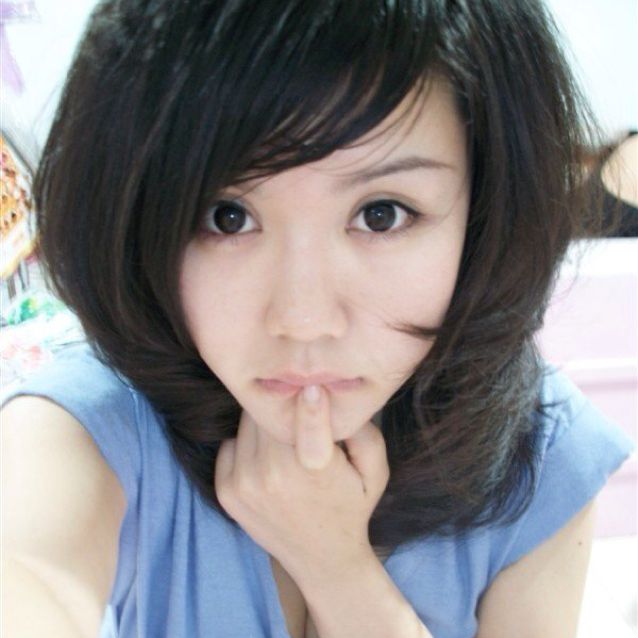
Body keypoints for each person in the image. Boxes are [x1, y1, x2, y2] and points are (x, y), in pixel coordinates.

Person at [2, 1, 634, 637]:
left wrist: (336, 567)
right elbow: (27, 572)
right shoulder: (92, 428)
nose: (304, 321)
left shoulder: (541, 458)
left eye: (382, 214)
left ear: (485, 215)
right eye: (226, 217)